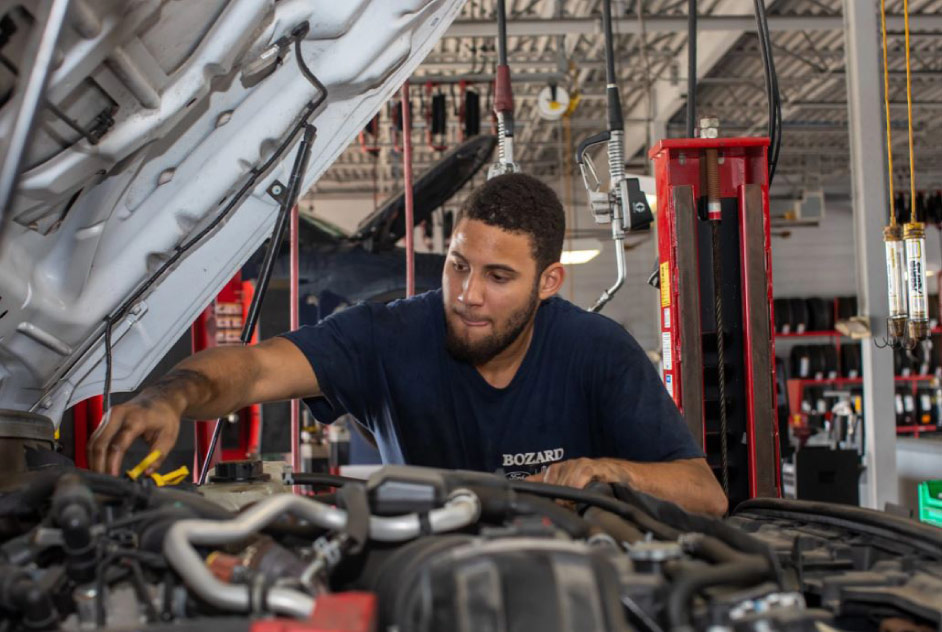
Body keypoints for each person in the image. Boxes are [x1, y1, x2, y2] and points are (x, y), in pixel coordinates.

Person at [89, 173, 727, 516]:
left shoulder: (599, 351)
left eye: (499, 277)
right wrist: (171, 395)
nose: (468, 295)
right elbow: (254, 369)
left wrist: (610, 472)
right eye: (458, 265)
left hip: (568, 587)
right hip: (421, 580)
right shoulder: (387, 337)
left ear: (549, 283)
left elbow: (706, 494)